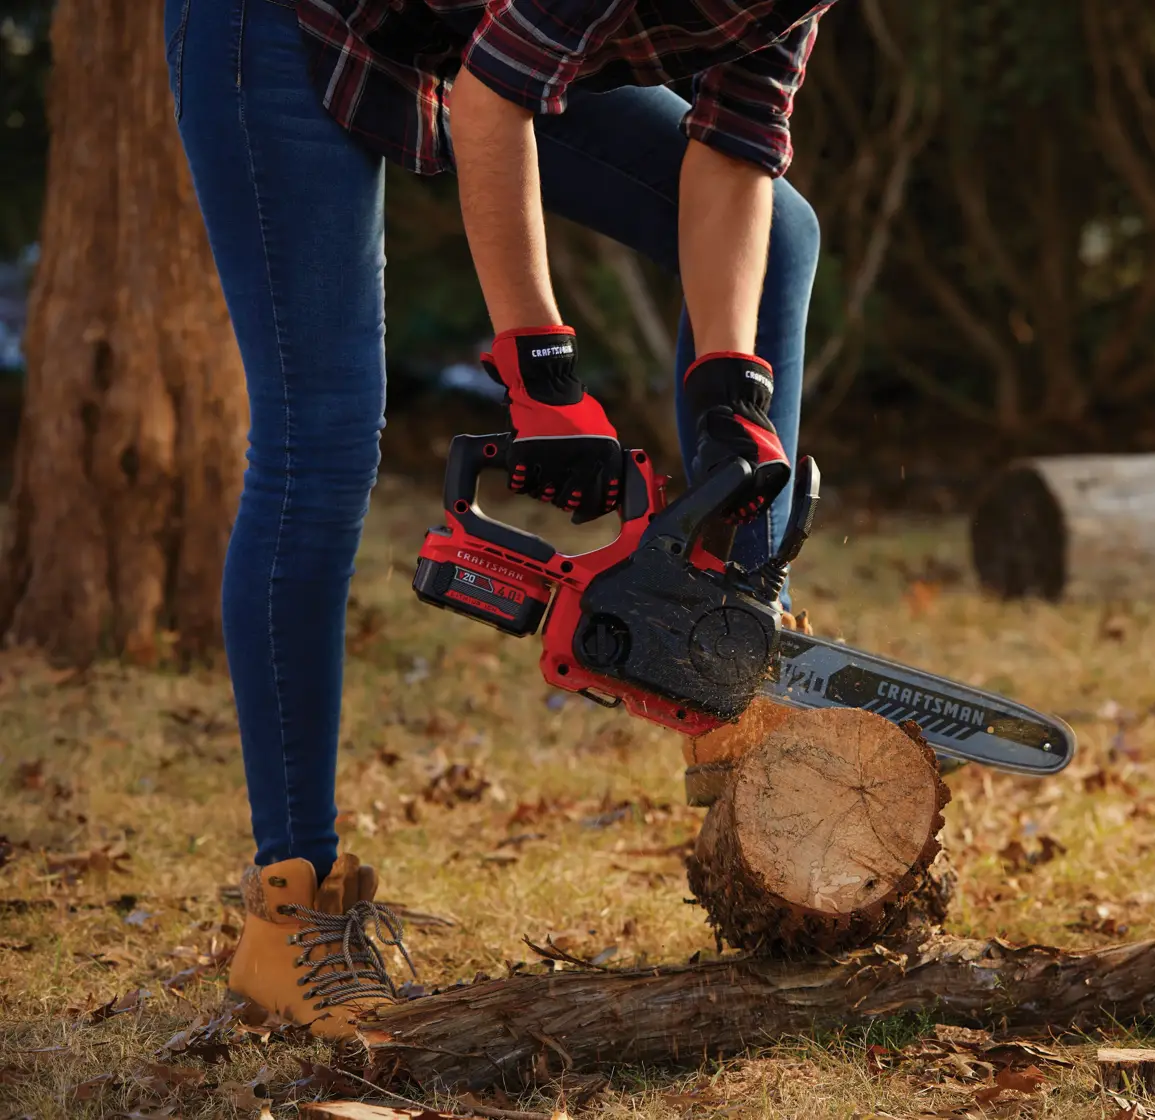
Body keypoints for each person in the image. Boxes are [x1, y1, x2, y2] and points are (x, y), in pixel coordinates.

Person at [164, 0, 833, 1038]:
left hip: (466, 38)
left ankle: (723, 656)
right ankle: (290, 906)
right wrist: (542, 379)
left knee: (781, 232)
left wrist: (731, 391)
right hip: (286, 27)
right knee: (320, 440)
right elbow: (492, 98)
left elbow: (736, 150)